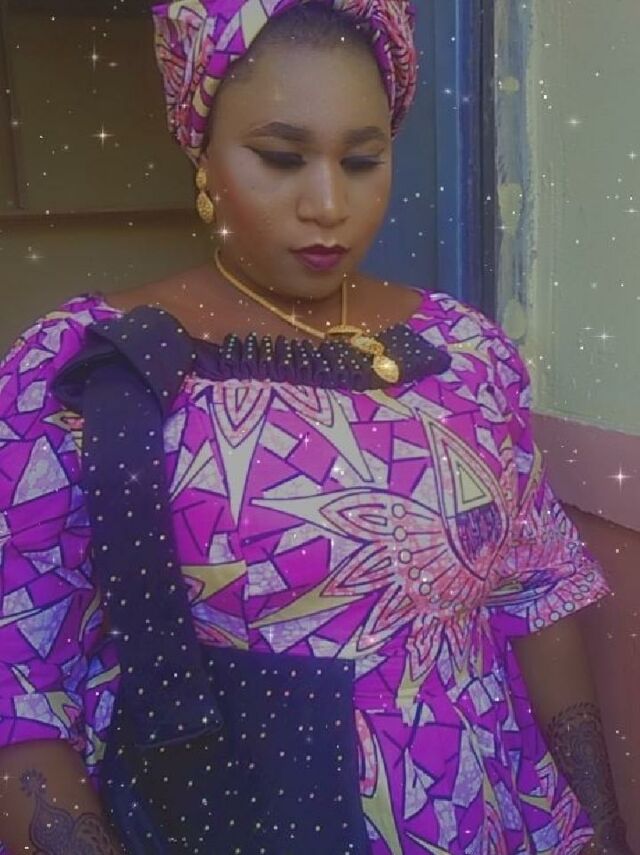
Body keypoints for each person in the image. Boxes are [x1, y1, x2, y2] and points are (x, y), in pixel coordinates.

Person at [0, 1, 633, 853]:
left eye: (363, 160)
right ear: (201, 149)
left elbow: (538, 591)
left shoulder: (466, 350)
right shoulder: (85, 367)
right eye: (281, 157)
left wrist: (598, 828)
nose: (329, 204)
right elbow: (22, 675)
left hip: (492, 820)